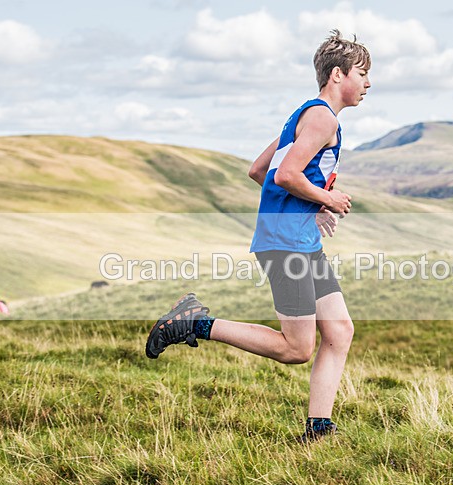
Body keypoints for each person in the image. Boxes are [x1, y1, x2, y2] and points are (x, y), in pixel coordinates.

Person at [145, 29, 371, 443]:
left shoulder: (304, 114)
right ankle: (195, 323)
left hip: (299, 240)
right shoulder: (323, 118)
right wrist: (329, 198)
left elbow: (258, 171)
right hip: (287, 246)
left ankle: (319, 430)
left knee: (339, 332)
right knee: (296, 348)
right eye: (362, 73)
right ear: (338, 75)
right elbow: (284, 175)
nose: (368, 83)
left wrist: (311, 205)